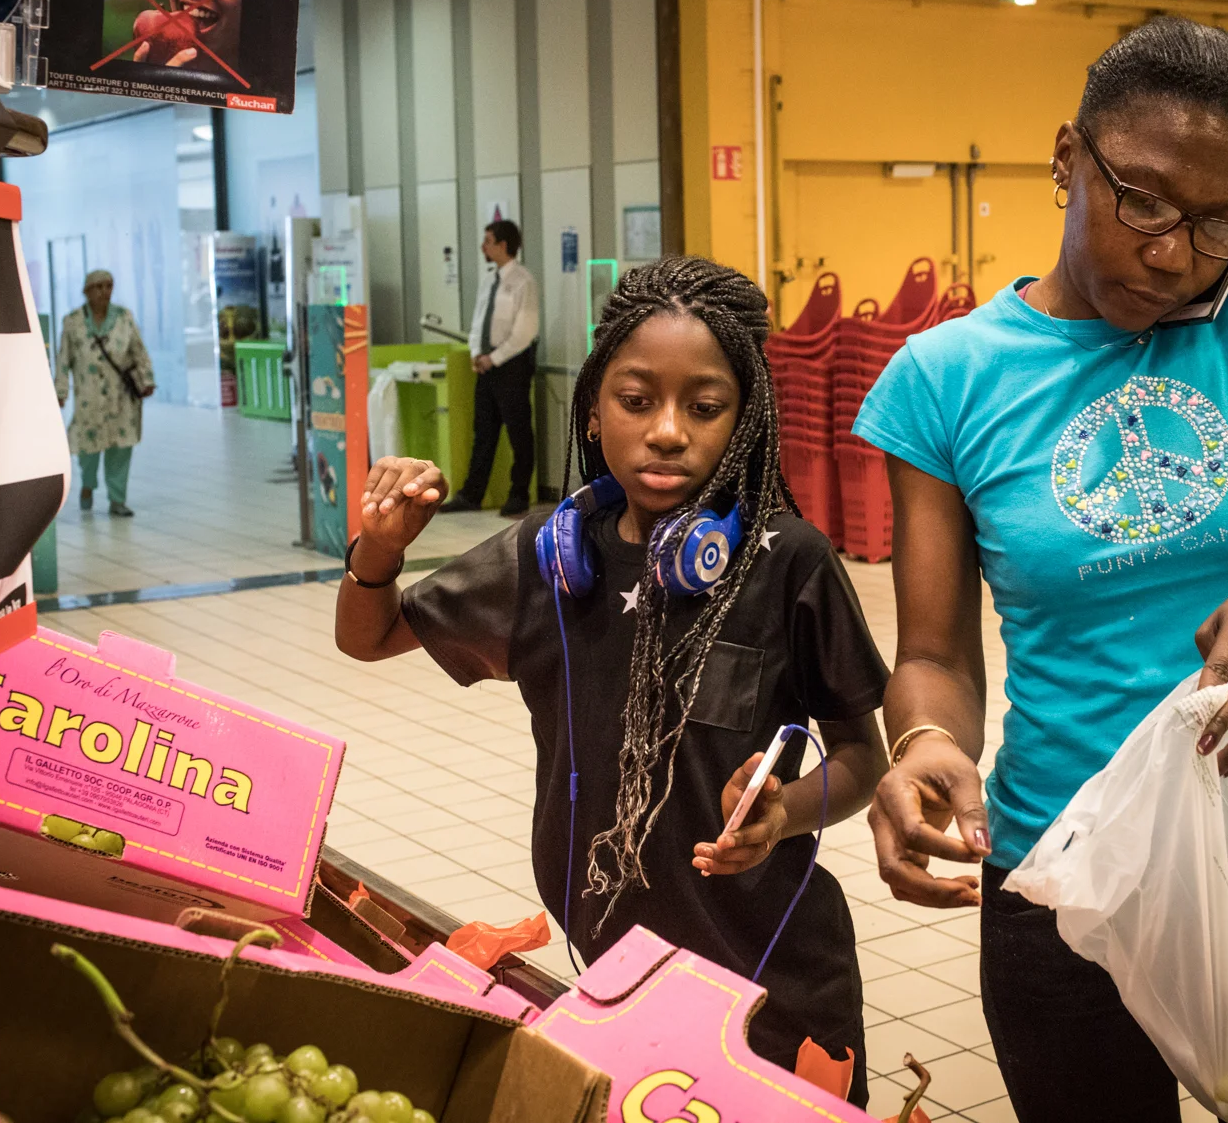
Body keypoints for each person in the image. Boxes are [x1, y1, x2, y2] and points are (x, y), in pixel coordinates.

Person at [852, 17, 1228, 1122]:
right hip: (1064, 879)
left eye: (1220, 218)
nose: (1175, 251)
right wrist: (923, 746)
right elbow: (932, 653)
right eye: (1145, 200)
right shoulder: (944, 379)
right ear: (1067, 158)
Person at [336, 257, 889, 1105]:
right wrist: (382, 546)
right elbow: (367, 637)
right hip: (617, 972)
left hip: (772, 985)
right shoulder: (548, 559)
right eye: (637, 401)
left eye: (705, 408)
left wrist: (786, 814)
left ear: (745, 421)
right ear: (594, 414)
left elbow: (864, 757)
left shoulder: (788, 562)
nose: (668, 430)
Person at [441, 219, 538, 517]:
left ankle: (518, 494)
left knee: (518, 431)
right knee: (483, 432)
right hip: (485, 364)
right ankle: (471, 494)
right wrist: (475, 352)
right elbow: (478, 320)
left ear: (503, 245)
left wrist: (494, 358)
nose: (483, 247)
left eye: (488, 241)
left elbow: (525, 331)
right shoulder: (489, 280)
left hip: (512, 364)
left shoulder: (524, 281)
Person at [55, 269, 156, 517]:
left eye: (108, 286)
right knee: (87, 450)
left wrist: (147, 380)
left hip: (120, 396)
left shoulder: (124, 318)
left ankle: (117, 499)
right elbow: (63, 360)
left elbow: (139, 352)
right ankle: (88, 485)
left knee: (120, 448)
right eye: (98, 287)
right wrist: (61, 390)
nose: (104, 292)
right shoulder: (73, 322)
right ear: (87, 291)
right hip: (88, 398)